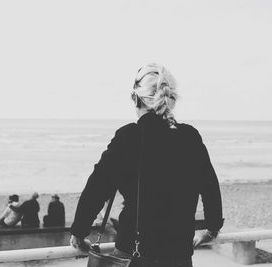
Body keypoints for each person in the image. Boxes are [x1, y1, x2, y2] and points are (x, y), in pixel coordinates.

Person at [70, 63, 223, 267]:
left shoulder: (128, 137)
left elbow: (96, 188)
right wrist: (211, 230)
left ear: (135, 98)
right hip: (179, 257)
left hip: (133, 254)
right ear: (171, 99)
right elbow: (210, 187)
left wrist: (79, 234)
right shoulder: (190, 137)